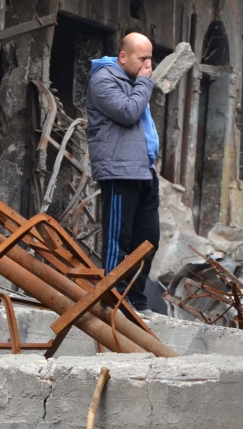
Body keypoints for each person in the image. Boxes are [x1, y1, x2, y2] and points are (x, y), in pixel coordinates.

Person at [86, 32, 160, 315]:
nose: (147, 65)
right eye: (143, 58)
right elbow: (128, 112)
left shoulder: (134, 81)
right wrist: (144, 82)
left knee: (148, 239)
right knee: (119, 238)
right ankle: (114, 297)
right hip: (120, 172)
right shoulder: (103, 80)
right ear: (123, 56)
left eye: (150, 59)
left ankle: (136, 297)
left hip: (144, 171)